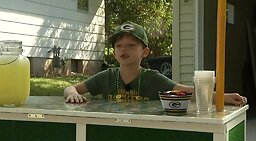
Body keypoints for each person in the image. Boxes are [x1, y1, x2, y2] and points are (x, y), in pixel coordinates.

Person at [64, 21, 247, 106]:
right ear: (114, 52)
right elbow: (71, 88)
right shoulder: (106, 77)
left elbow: (187, 93)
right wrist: (72, 94)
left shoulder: (154, 79)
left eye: (130, 45)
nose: (123, 50)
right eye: (119, 46)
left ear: (145, 52)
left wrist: (223, 97)